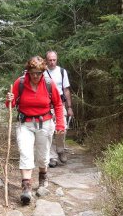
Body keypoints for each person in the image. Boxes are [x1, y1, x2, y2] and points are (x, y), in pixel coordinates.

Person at [6, 56, 65, 205]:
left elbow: (58, 105)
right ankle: (26, 188)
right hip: (24, 124)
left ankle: (43, 176)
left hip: (44, 123)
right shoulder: (20, 83)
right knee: (25, 153)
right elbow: (10, 105)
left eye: (38, 73)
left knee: (43, 155)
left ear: (43, 72)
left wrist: (60, 125)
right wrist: (9, 99)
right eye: (32, 73)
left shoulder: (48, 84)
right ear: (28, 71)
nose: (35, 76)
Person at [45, 50, 74, 167]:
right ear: (46, 60)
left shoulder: (62, 72)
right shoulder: (42, 72)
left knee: (62, 129)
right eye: (50, 60)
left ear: (57, 59)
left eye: (54, 60)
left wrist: (69, 107)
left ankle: (60, 150)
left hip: (60, 105)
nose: (52, 62)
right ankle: (52, 157)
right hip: (46, 105)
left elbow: (66, 90)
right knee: (48, 131)